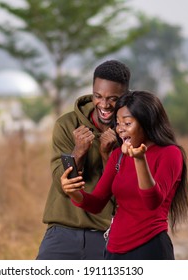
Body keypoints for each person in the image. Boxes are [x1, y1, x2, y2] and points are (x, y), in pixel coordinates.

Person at [61, 90, 188, 260]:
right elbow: (96, 203)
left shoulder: (170, 154)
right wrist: (73, 191)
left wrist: (139, 159)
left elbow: (152, 202)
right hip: (114, 250)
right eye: (117, 123)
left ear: (147, 123)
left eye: (127, 123)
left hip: (150, 247)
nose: (120, 129)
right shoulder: (118, 155)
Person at [36, 60, 131, 260]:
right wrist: (78, 152)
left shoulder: (131, 131)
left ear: (125, 97)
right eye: (98, 96)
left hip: (108, 233)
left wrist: (108, 155)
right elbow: (63, 185)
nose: (104, 105)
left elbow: (124, 194)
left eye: (113, 99)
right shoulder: (67, 124)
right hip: (62, 230)